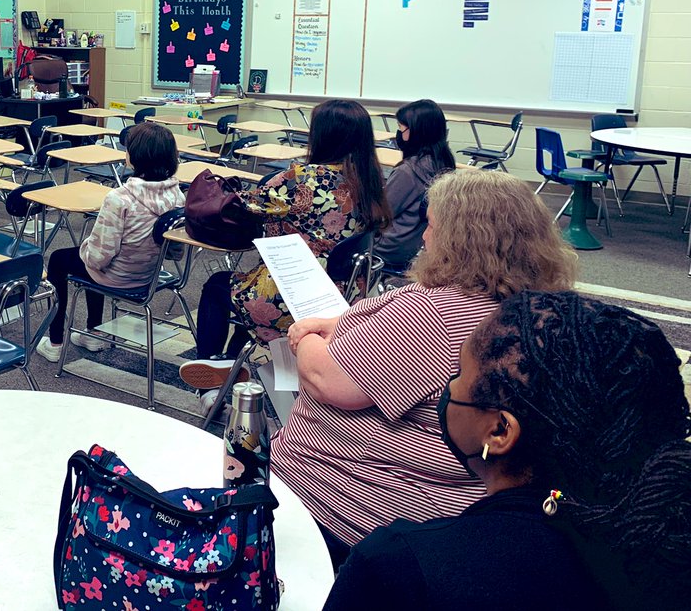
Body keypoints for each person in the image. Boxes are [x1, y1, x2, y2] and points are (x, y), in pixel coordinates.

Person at [274, 169, 578, 569]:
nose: (424, 237)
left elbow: (326, 380)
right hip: (446, 514)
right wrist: (344, 324)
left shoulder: (432, 315)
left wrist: (306, 335)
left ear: (460, 239)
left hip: (342, 507)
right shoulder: (536, 311)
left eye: (431, 225)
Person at [324, 291, 691, 611]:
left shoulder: (400, 568)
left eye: (460, 374)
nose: (449, 388)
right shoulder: (660, 547)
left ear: (499, 431)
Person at [180, 99, 391, 399]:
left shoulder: (302, 179)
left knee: (217, 287)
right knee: (247, 284)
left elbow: (241, 204)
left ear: (321, 134)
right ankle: (231, 363)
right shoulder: (369, 179)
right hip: (344, 300)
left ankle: (208, 385)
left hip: (295, 298)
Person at [36, 123, 183, 362]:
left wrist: (87, 245)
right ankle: (93, 333)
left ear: (135, 156)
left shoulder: (119, 198)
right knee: (87, 257)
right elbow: (176, 251)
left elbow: (98, 258)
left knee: (61, 259)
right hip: (149, 275)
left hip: (118, 277)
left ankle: (55, 343)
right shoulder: (177, 195)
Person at [373, 99, 455, 271]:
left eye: (401, 128)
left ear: (417, 132)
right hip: (412, 245)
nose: (398, 133)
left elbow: (382, 214)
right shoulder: (442, 161)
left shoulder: (408, 172)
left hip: (388, 247)